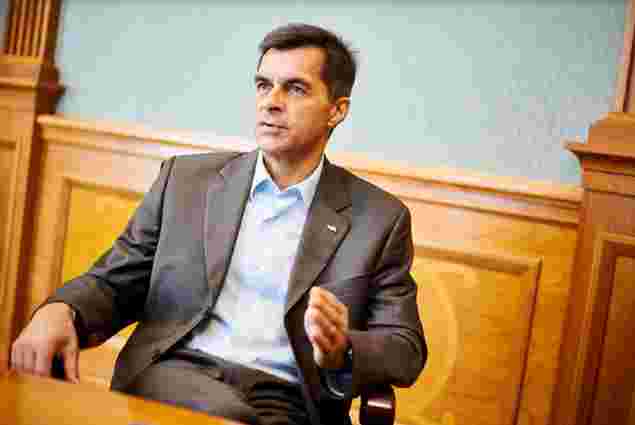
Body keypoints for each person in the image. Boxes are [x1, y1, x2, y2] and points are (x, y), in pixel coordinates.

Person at [10, 23, 426, 425]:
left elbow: (405, 347)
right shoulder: (186, 181)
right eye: (263, 85)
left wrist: (341, 350)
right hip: (176, 374)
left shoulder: (378, 219)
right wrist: (62, 310)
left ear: (337, 110)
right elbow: (117, 279)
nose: (271, 101)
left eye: (295, 88)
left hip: (289, 402)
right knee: (227, 416)